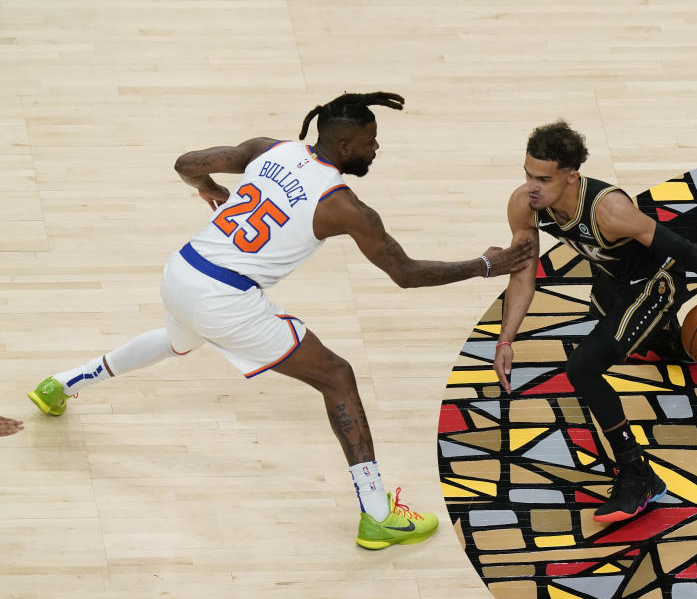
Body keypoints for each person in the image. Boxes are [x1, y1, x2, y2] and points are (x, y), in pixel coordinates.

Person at [26, 92, 536, 549]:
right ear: (343, 146)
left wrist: (206, 188)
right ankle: (378, 515)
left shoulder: (270, 148)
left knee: (179, 342)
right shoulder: (344, 206)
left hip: (182, 270)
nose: (375, 149)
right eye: (369, 141)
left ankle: (62, 383)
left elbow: (185, 162)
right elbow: (404, 273)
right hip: (225, 298)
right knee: (337, 377)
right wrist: (485, 265)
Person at [493, 120, 697, 523]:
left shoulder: (610, 211)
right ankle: (666, 339)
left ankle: (638, 474)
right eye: (527, 174)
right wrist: (505, 340)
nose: (532, 186)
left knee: (583, 367)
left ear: (571, 177)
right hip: (613, 281)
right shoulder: (524, 204)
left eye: (543, 179)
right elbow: (523, 276)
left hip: (656, 282)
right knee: (602, 315)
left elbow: (681, 247)